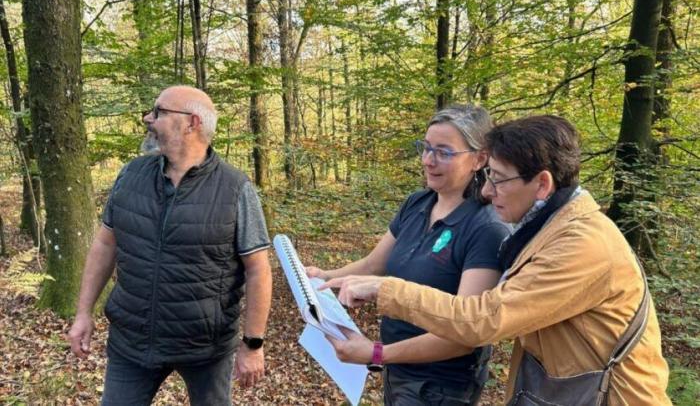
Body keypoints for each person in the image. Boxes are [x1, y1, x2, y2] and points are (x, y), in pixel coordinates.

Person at [324, 115, 671, 405]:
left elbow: (482, 320)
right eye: (489, 176)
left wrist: (385, 291)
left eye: (499, 179)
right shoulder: (549, 230)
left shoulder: (580, 244)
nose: (487, 192)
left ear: (542, 184)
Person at [67, 86, 273, 406]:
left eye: (159, 112)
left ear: (191, 123)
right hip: (131, 342)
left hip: (205, 349)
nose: (148, 119)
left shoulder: (235, 189)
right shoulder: (131, 175)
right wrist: (83, 313)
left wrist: (253, 344)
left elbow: (258, 269)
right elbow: (105, 244)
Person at [307, 106, 510, 405]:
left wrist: (377, 353)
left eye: (443, 152)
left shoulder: (486, 228)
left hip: (441, 384)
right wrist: (324, 276)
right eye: (426, 148)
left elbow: (465, 334)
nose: (428, 160)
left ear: (479, 159)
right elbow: (373, 264)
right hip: (399, 369)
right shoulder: (417, 203)